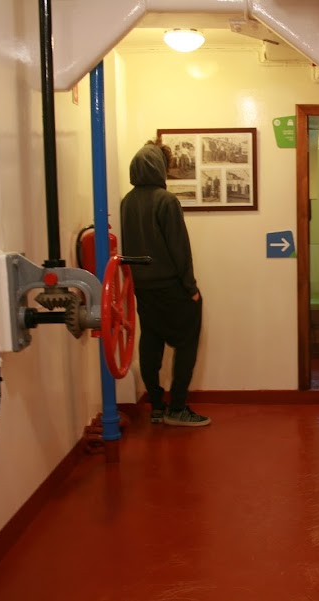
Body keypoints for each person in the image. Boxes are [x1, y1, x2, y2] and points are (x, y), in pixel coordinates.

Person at [120, 141, 210, 427]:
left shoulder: (126, 202)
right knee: (186, 343)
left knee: (151, 341)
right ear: (159, 167)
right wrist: (191, 289)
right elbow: (179, 249)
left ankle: (157, 406)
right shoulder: (166, 201)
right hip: (170, 286)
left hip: (142, 287)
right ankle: (178, 407)